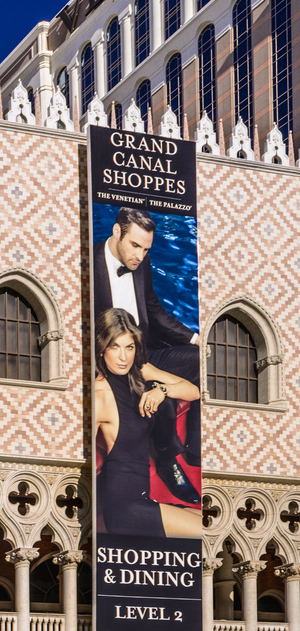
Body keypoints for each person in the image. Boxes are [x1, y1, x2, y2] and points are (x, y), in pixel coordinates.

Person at [93, 308, 202, 536]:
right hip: (125, 510)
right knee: (212, 532)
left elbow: (193, 392)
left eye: (129, 347)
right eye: (115, 346)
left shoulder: (141, 371)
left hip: (144, 499)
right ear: (102, 348)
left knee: (207, 520)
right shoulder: (100, 395)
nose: (123, 357)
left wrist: (162, 391)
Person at [92, 207, 198, 354]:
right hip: (111, 359)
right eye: (135, 245)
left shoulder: (142, 262)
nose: (140, 256)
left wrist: (195, 338)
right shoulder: (89, 263)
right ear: (117, 231)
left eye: (145, 249)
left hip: (145, 351)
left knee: (197, 357)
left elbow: (155, 311)